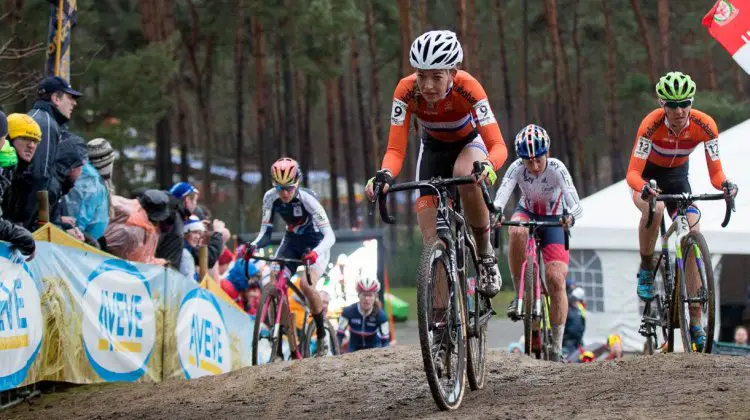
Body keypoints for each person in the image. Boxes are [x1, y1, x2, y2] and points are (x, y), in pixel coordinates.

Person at [365, 30, 508, 297]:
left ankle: (486, 253)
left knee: (465, 173)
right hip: (432, 149)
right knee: (432, 240)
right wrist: (384, 174)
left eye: (437, 76)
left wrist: (489, 165)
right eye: (421, 75)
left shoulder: (469, 87)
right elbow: (395, 150)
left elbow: (498, 145)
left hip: (468, 146)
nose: (427, 85)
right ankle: (441, 317)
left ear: (453, 73)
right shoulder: (406, 91)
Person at [626, 71, 738, 352]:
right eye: (672, 105)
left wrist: (725, 184)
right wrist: (645, 189)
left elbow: (716, 173)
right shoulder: (650, 126)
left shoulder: (705, 125)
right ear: (662, 104)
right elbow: (632, 174)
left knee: (692, 232)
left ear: (691, 102)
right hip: (648, 178)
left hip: (678, 177)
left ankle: (696, 323)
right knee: (656, 208)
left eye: (684, 103)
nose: (678, 111)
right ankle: (646, 267)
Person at [493, 124, 583, 361]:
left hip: (555, 218)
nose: (533, 167)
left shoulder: (557, 168)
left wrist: (570, 216)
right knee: (516, 231)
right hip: (528, 212)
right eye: (527, 161)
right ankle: (520, 291)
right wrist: (496, 211)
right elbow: (501, 196)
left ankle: (556, 345)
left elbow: (575, 201)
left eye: (538, 161)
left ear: (547, 154)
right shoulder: (516, 168)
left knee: (555, 278)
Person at [245, 157, 336, 357]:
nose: (284, 193)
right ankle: (289, 347)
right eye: (280, 188)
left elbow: (330, 236)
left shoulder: (308, 199)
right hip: (293, 242)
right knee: (273, 282)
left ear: (298, 184)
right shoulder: (270, 198)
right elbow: (265, 234)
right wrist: (251, 246)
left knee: (305, 284)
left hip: (316, 244)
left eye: (289, 188)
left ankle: (322, 335)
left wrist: (315, 253)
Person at [27, 76, 82, 188]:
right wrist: (62, 185)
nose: (74, 103)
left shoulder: (31, 117)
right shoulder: (46, 124)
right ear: (56, 98)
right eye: (70, 97)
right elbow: (40, 177)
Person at [0, 112, 35, 260]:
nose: (31, 145)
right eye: (25, 138)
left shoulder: (8, 165)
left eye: (35, 140)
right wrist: (20, 235)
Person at [336, 276, 390, 352]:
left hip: (374, 348)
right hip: (354, 348)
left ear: (375, 297)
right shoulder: (348, 311)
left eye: (370, 295)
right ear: (359, 296)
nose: (367, 298)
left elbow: (385, 340)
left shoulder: (381, 315)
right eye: (364, 295)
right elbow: (339, 334)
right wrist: (337, 352)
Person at [563, 286, 586, 356]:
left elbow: (582, 323)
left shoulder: (579, 309)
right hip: (568, 341)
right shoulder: (566, 308)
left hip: (577, 342)